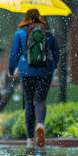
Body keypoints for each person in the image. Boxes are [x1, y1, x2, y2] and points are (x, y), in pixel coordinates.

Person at [8, 8, 60, 148]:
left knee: (29, 102)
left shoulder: (20, 33)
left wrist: (11, 70)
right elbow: (56, 54)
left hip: (26, 71)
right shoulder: (48, 34)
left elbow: (14, 53)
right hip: (45, 71)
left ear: (26, 18)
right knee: (40, 100)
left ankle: (30, 140)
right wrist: (52, 66)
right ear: (40, 18)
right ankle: (40, 124)